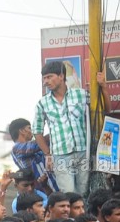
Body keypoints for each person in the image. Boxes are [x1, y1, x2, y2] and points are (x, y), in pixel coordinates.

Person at [32, 62, 90, 196]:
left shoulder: (81, 95)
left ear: (61, 76)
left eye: (49, 77)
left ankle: (84, 217)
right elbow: (37, 131)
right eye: (44, 78)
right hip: (60, 156)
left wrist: (103, 87)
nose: (45, 81)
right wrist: (48, 154)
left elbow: (101, 111)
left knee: (84, 193)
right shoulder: (43, 103)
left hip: (83, 152)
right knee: (69, 194)